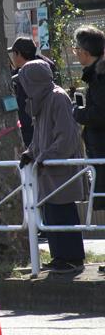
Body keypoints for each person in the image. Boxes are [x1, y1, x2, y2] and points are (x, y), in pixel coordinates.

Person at [18, 60, 86, 274]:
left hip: (60, 167)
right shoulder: (41, 101)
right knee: (52, 214)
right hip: (48, 168)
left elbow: (67, 137)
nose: (23, 86)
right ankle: (60, 257)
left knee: (63, 212)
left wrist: (46, 157)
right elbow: (40, 138)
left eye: (25, 81)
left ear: (34, 81)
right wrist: (30, 153)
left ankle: (73, 259)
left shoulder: (57, 98)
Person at [72, 26, 105, 213]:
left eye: (76, 49)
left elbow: (100, 115)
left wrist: (77, 113)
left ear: (85, 52)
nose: (76, 54)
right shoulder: (97, 75)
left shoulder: (100, 77)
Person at [8, 37, 57, 147]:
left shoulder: (31, 76)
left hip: (34, 127)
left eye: (14, 54)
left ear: (18, 54)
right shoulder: (43, 70)